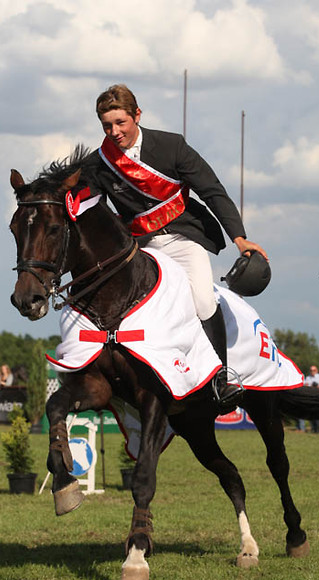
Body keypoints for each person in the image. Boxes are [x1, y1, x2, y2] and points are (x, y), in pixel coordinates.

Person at [83, 84, 268, 413]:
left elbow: (212, 190)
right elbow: (94, 212)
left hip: (183, 239)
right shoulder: (98, 164)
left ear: (137, 115)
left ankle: (219, 380)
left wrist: (239, 238)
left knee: (202, 300)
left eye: (120, 123)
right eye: (106, 126)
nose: (114, 132)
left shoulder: (171, 146)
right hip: (138, 249)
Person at [303, 365, 319, 433]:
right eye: (311, 370)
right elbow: (305, 385)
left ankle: (318, 429)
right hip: (310, 396)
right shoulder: (308, 377)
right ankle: (313, 429)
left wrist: (314, 385)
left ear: (316, 371)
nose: (312, 372)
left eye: (314, 370)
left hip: (317, 396)